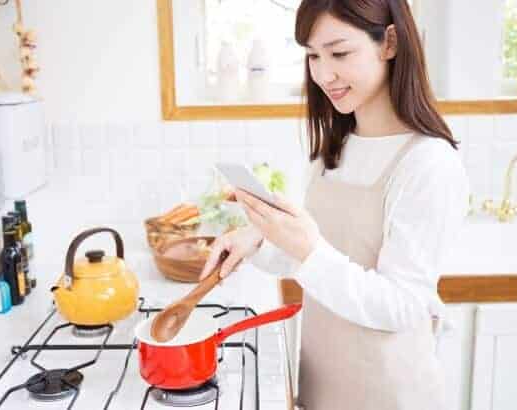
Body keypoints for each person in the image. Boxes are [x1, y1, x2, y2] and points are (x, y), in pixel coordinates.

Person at [200, 0, 469, 408]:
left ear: (390, 43)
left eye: (340, 52)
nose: (324, 74)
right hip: (322, 389)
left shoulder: (428, 163)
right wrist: (257, 240)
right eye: (312, 55)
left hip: (388, 396)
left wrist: (308, 248)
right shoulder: (334, 149)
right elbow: (320, 264)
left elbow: (403, 305)